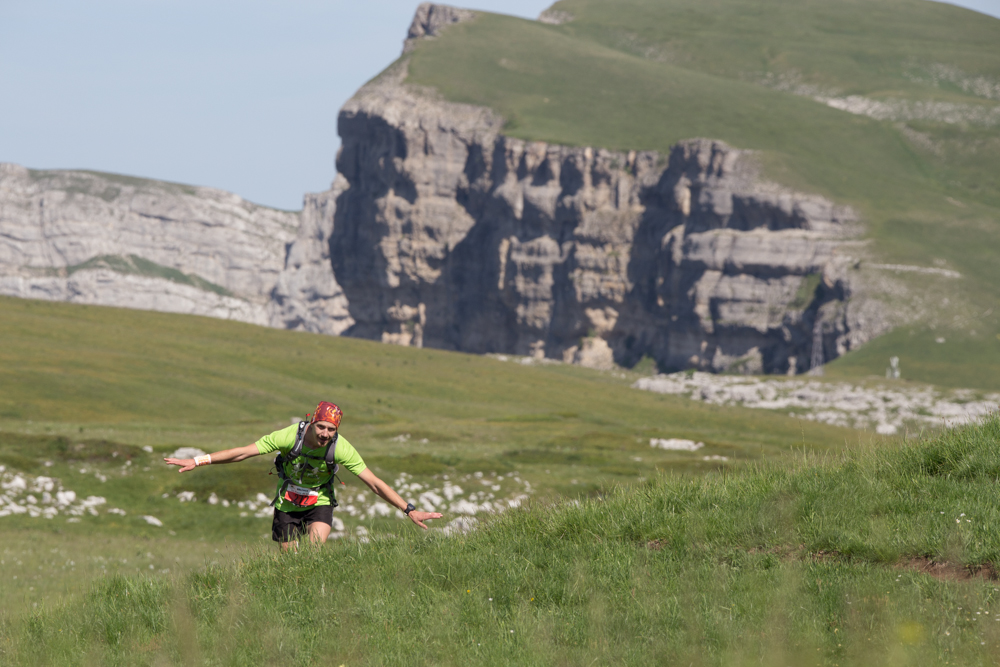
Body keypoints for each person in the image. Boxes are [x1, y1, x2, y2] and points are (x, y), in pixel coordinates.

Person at [164, 401, 442, 549]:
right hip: (287, 503)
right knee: (290, 562)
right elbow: (243, 452)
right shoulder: (288, 436)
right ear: (312, 422)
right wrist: (198, 460)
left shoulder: (340, 448)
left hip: (320, 501)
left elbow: (374, 483)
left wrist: (408, 510)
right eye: (321, 427)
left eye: (331, 430)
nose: (325, 434)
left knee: (312, 554)